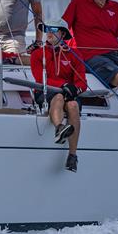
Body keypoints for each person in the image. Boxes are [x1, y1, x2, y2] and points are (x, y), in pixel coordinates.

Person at [30, 22, 87, 172]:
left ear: (62, 33)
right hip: (45, 92)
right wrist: (63, 85)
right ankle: (59, 128)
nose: (48, 32)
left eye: (53, 29)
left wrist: (75, 89)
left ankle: (73, 155)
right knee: (59, 97)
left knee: (73, 105)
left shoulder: (74, 54)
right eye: (46, 29)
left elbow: (82, 82)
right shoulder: (37, 54)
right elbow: (39, 79)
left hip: (68, 93)